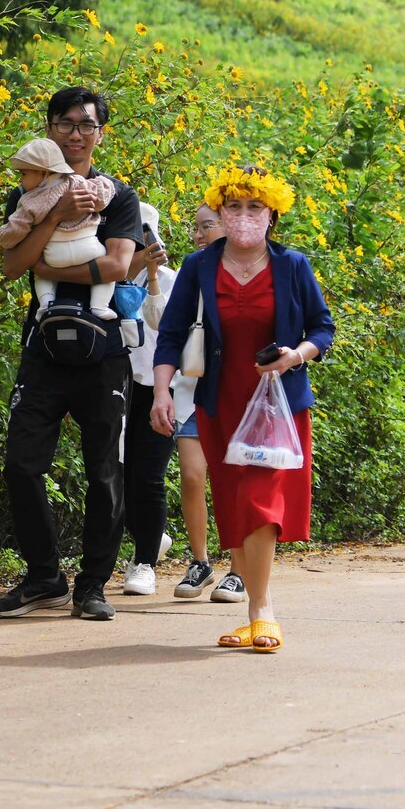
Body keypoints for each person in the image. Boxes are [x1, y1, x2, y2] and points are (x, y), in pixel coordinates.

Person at [151, 165, 334, 653]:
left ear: (273, 214)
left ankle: (262, 609)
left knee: (259, 500)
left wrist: (296, 356)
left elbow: (323, 329)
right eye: (235, 206)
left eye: (256, 207)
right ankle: (254, 620)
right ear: (222, 211)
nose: (245, 215)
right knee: (234, 504)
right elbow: (170, 333)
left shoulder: (292, 265)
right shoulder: (199, 265)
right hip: (220, 403)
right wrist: (161, 392)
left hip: (277, 406)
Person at [0, 87, 142, 620]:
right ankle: (44, 577)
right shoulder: (26, 191)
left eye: (87, 125)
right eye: (66, 123)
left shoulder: (117, 195)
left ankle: (93, 583)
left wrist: (44, 267)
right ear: (49, 128)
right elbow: (9, 266)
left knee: (104, 471)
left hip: (104, 352)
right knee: (20, 465)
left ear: (101, 134)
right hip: (43, 349)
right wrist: (55, 217)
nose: (76, 133)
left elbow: (120, 265)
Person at [164, 206, 244, 602]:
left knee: (235, 481)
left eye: (204, 226)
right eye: (193, 227)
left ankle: (239, 569)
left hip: (241, 393)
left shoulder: (258, 267)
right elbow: (168, 326)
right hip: (194, 386)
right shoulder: (194, 268)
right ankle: (200, 562)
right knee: (193, 476)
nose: (197, 235)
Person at [119, 201, 175, 596]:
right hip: (115, 384)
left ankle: (144, 562)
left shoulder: (172, 281)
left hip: (160, 388)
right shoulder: (107, 278)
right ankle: (150, 537)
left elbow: (168, 329)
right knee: (114, 478)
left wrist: (152, 274)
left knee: (148, 476)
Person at [0, 137, 118, 319]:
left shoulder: (30, 200)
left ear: (43, 173)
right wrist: (107, 184)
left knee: (42, 276)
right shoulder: (77, 183)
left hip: (54, 256)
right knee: (107, 277)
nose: (21, 181)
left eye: (23, 174)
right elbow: (102, 195)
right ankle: (100, 305)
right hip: (90, 249)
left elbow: (15, 231)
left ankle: (45, 303)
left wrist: (3, 236)